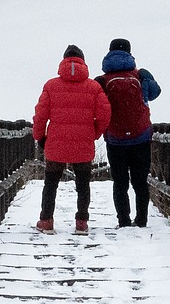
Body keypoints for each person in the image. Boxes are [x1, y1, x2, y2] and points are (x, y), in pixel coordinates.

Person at [31, 43, 111, 234]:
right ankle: (82, 222)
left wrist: (39, 137)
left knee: (51, 184)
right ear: (83, 61)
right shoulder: (93, 87)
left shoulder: (51, 85)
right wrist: (95, 133)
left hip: (56, 142)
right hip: (83, 142)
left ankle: (46, 221)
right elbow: (105, 114)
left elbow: (40, 114)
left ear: (64, 60)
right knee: (83, 184)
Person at [98, 38, 161, 227]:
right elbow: (154, 93)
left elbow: (96, 106)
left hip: (115, 139)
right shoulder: (140, 74)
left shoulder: (102, 80)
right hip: (140, 137)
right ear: (129, 53)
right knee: (140, 182)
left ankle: (123, 221)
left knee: (120, 183)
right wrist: (148, 78)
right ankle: (141, 220)